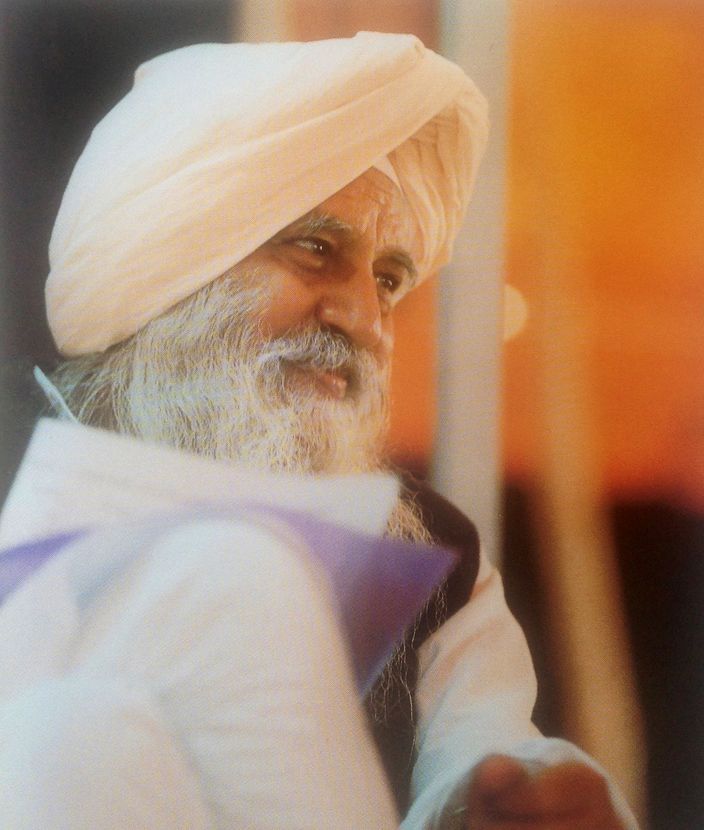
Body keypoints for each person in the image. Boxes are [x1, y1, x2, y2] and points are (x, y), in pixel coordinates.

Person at [0, 32, 639, 829]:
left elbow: (483, 757)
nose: (365, 319)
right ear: (176, 254)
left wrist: (516, 797)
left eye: (389, 279)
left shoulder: (429, 556)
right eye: (315, 249)